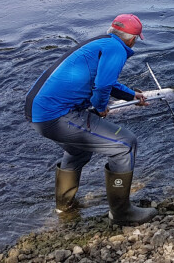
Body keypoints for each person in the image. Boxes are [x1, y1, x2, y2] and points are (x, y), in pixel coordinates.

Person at [24, 14, 157, 225]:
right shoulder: (117, 49)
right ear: (133, 39)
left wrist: (131, 95)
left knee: (78, 151)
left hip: (36, 110)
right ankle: (122, 214)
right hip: (55, 115)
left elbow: (103, 82)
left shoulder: (100, 43)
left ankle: (64, 208)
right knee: (125, 145)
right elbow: (102, 86)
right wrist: (101, 107)